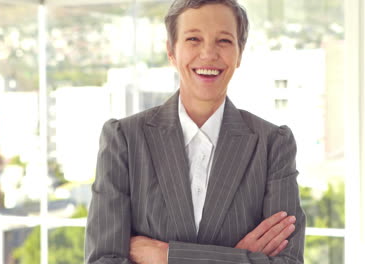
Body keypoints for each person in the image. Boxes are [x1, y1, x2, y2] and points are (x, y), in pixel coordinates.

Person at [85, 0, 306, 263]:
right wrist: (238, 257)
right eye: (193, 39)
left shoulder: (272, 145)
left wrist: (166, 256)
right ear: (171, 51)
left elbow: (288, 261)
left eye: (224, 41)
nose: (208, 54)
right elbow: (103, 260)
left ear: (240, 53)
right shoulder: (124, 140)